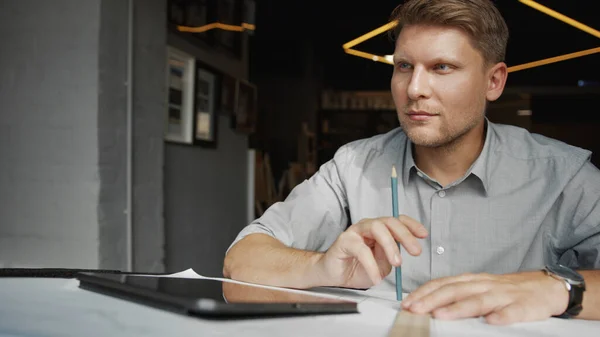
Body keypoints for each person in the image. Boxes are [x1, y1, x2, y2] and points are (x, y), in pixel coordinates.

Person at [223, 0, 600, 325]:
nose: (414, 88)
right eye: (404, 66)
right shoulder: (353, 166)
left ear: (494, 82)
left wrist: (557, 287)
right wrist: (321, 266)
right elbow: (240, 263)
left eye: (442, 67)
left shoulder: (563, 175)